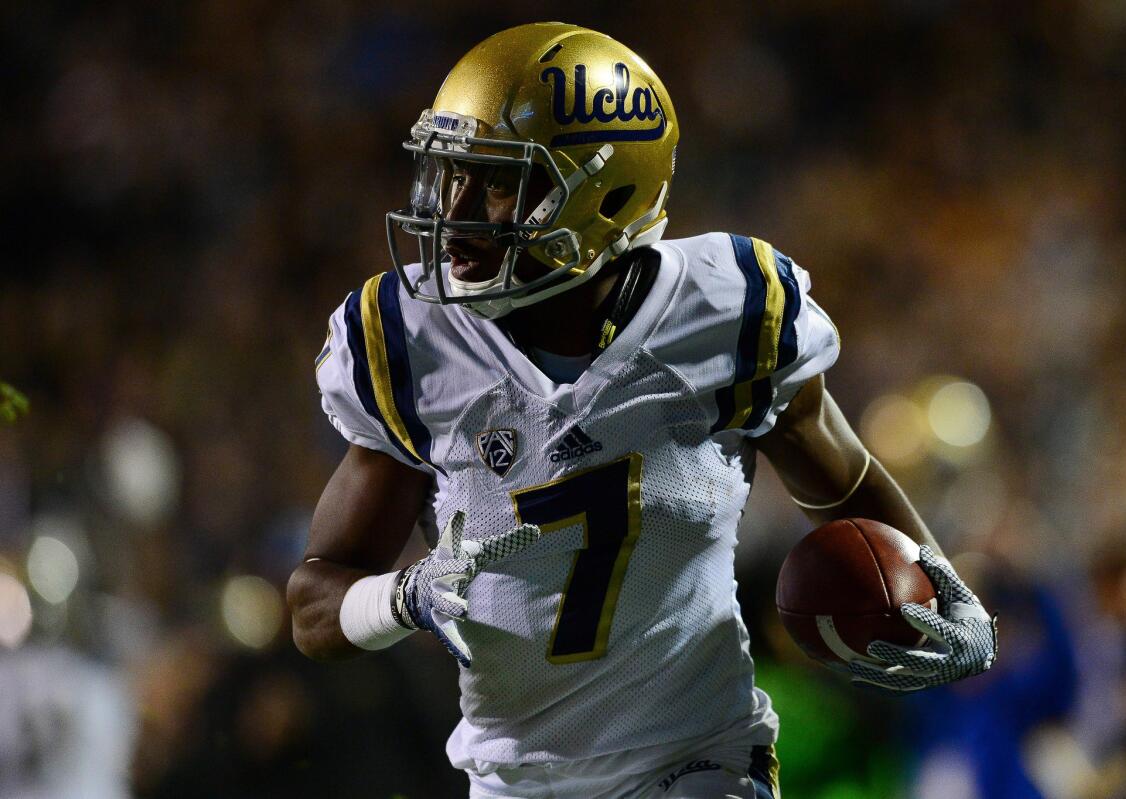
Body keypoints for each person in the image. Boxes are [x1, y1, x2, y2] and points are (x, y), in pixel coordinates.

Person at [286, 22, 997, 799]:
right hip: (513, 781)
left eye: (496, 182)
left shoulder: (728, 308)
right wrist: (403, 597)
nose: (456, 212)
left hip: (696, 762)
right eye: (450, 173)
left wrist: (942, 587)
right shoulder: (409, 342)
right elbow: (312, 608)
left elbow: (842, 481)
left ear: (606, 193)